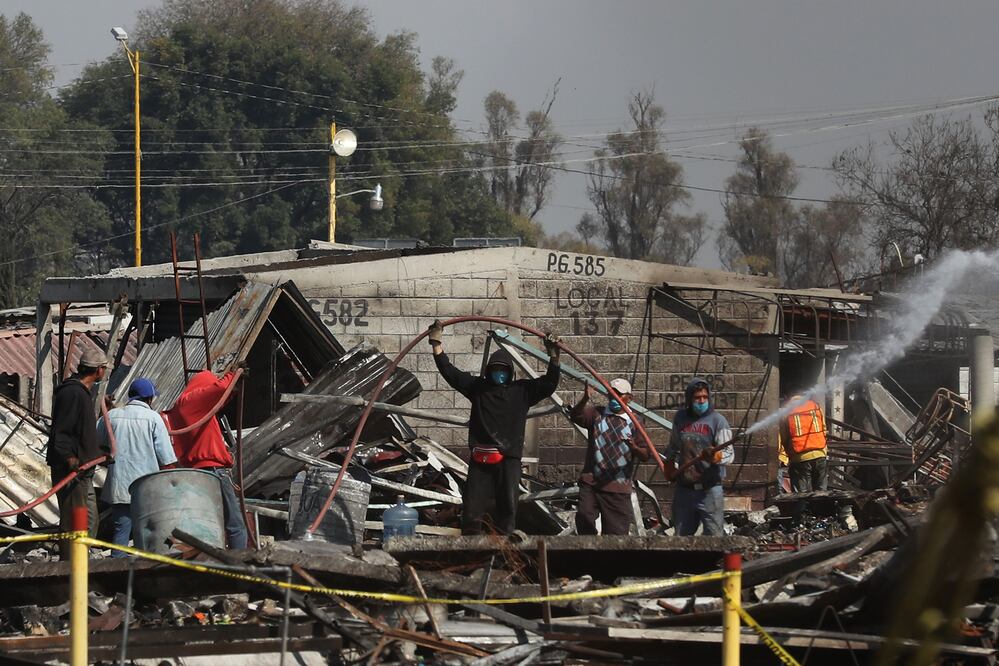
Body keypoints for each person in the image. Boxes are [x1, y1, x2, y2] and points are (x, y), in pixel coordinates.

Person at [428, 320, 560, 534]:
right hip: (482, 456)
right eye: (495, 370)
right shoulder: (478, 388)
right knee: (473, 507)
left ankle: (504, 543)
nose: (499, 374)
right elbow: (449, 372)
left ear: (510, 373)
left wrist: (554, 357)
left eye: (503, 371)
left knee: (508, 505)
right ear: (489, 371)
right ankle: (471, 544)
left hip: (509, 458)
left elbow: (549, 383)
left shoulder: (522, 391)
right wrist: (436, 343)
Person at [167, 369, 248, 549]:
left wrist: (232, 391)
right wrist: (233, 374)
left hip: (195, 471)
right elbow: (220, 388)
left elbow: (218, 399)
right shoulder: (192, 400)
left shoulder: (185, 406)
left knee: (205, 522)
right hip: (213, 470)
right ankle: (237, 567)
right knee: (235, 524)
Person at [97, 378, 176, 556]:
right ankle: (143, 577)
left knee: (121, 532)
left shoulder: (112, 416)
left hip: (120, 486)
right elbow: (166, 459)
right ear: (149, 399)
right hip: (147, 488)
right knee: (147, 536)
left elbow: (97, 442)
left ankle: (117, 577)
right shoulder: (154, 419)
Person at [569, 378, 650, 535]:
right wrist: (585, 398)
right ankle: (590, 554)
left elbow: (646, 454)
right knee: (584, 517)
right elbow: (575, 416)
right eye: (612, 395)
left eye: (619, 395)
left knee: (616, 536)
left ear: (629, 398)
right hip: (592, 481)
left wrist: (634, 448)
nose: (615, 399)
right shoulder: (597, 414)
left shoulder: (635, 422)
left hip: (617, 486)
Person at [46, 348, 108, 539]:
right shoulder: (73, 393)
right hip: (72, 471)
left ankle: (83, 564)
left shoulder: (81, 393)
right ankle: (71, 563)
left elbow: (78, 433)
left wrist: (99, 451)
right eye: (104, 369)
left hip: (83, 471)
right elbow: (61, 432)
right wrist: (69, 458)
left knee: (89, 521)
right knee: (74, 523)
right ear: (98, 370)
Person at [664, 378, 733, 536]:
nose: (701, 401)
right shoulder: (680, 418)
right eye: (697, 398)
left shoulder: (718, 421)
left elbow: (729, 454)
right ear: (689, 399)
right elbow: (673, 446)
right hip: (685, 490)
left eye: (704, 397)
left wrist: (715, 456)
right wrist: (668, 466)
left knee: (714, 538)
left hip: (710, 490)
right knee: (682, 538)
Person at [780, 394, 828, 492]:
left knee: (801, 494)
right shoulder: (815, 406)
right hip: (820, 454)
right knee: (821, 492)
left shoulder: (786, 411)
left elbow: (783, 438)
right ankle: (821, 507)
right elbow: (824, 429)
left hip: (800, 458)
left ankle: (801, 507)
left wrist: (787, 456)